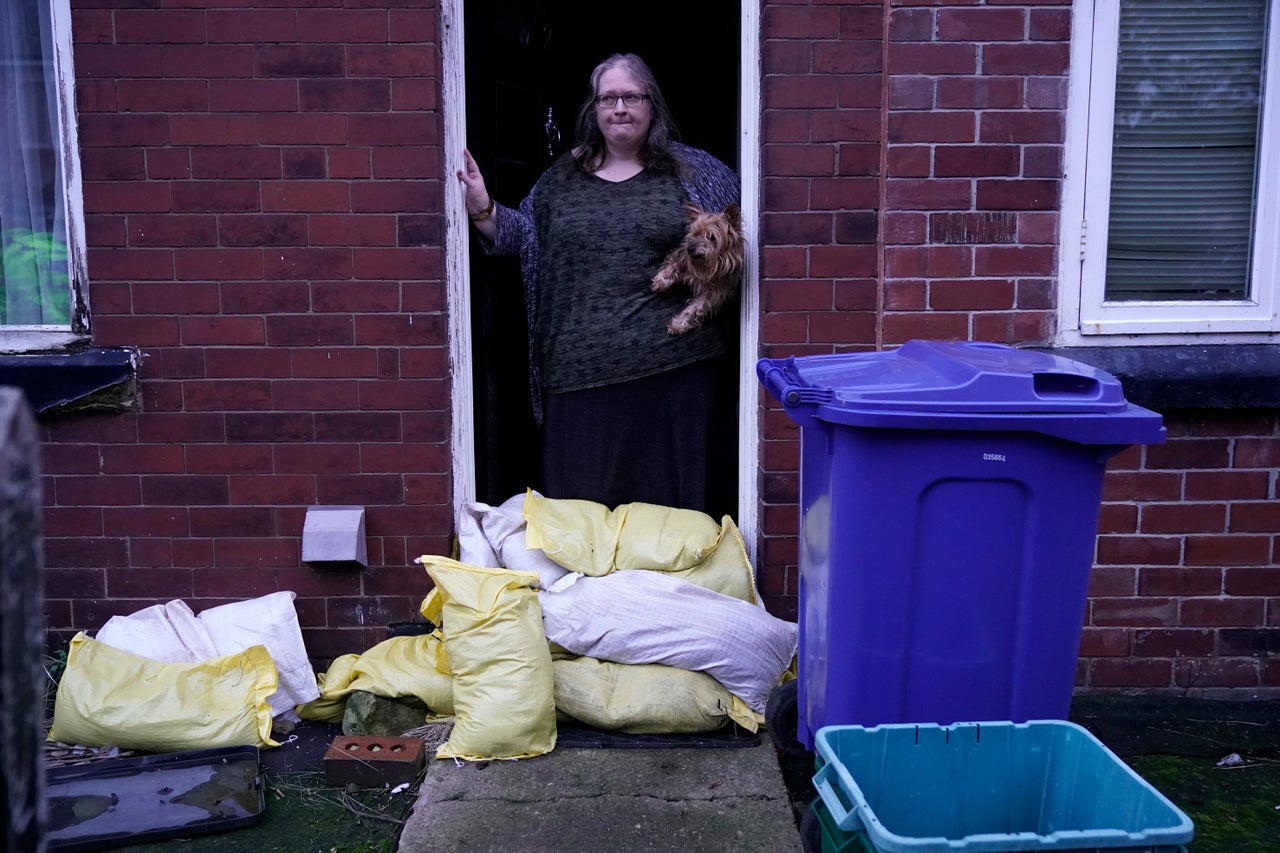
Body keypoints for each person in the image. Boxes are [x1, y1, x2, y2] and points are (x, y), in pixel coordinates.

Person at [457, 53, 741, 517]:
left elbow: (738, 242)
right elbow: (523, 236)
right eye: (608, 98)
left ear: (652, 105)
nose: (620, 108)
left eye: (631, 96)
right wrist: (482, 207)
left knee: (670, 521)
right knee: (583, 524)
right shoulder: (561, 179)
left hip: (674, 372)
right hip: (579, 373)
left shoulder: (694, 173)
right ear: (593, 109)